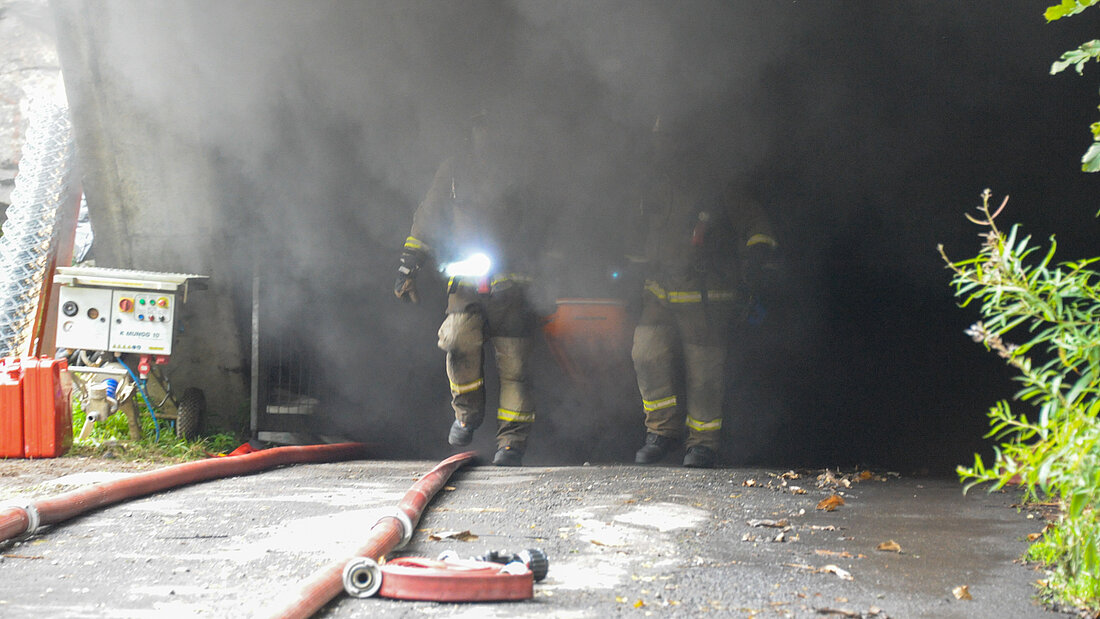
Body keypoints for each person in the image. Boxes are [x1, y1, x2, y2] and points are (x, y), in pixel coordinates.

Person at [627, 117, 778, 468]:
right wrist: (628, 276)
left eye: (666, 139)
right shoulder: (653, 187)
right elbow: (639, 238)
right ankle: (660, 433)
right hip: (659, 292)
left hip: (706, 297)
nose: (660, 147)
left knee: (705, 375)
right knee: (645, 355)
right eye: (657, 140)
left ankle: (703, 444)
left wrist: (754, 259)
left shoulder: (718, 186)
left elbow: (757, 226)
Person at [394, 109, 540, 467]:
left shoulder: (526, 169)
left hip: (515, 289)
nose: (486, 136)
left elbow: (545, 222)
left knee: (515, 368)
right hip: (468, 286)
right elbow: (427, 216)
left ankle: (511, 443)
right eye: (481, 127)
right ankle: (467, 415)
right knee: (458, 339)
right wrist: (407, 266)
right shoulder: (455, 170)